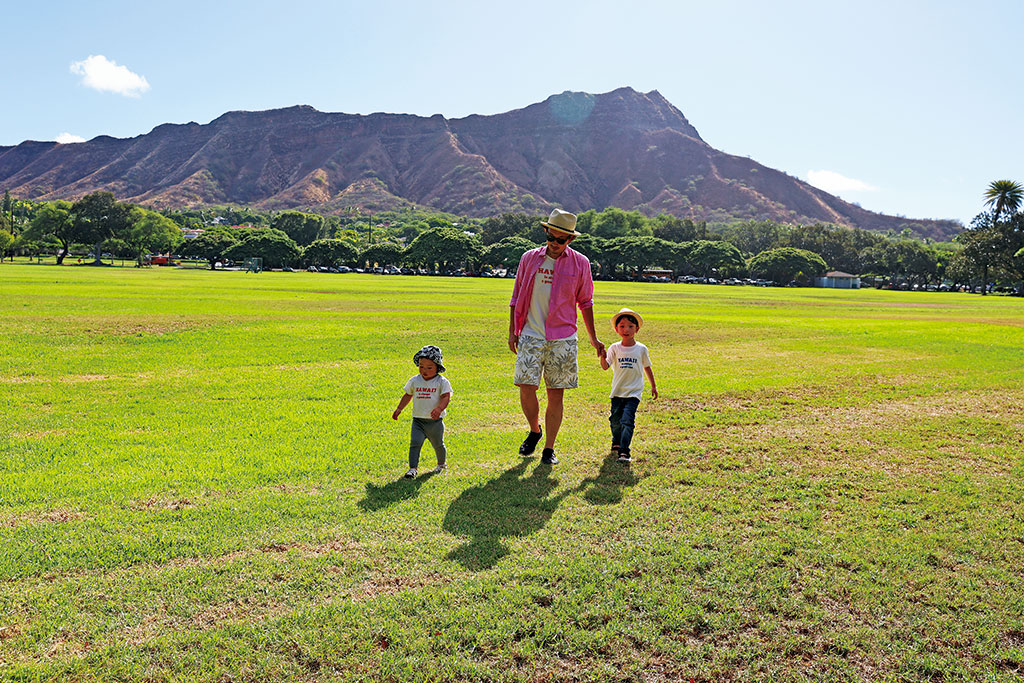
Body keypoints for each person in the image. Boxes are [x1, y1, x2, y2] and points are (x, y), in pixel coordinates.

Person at [508, 209, 604, 465]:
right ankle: (534, 430)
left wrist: (594, 338)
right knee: (526, 387)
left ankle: (549, 449)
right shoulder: (529, 259)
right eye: (551, 237)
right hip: (530, 333)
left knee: (555, 394)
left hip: (563, 337)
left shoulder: (580, 263)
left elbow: (586, 302)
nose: (554, 244)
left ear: (570, 240)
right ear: (546, 232)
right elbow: (516, 296)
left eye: (561, 240)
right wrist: (512, 331)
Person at [600, 307, 658, 464]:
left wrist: (653, 386)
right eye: (622, 326)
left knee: (627, 420)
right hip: (617, 392)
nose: (626, 329)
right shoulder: (614, 348)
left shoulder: (641, 349)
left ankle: (624, 451)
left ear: (637, 329)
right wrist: (602, 356)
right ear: (617, 329)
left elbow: (647, 367)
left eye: (631, 326)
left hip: (634, 392)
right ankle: (616, 441)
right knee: (615, 420)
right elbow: (605, 366)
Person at [392, 345, 452, 478]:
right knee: (415, 443)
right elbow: (408, 395)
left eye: (429, 367)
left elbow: (446, 397)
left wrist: (439, 409)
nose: (424, 370)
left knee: (438, 444)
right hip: (418, 421)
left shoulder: (442, 382)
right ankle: (412, 468)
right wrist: (399, 409)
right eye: (421, 366)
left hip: (435, 422)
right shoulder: (415, 381)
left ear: (437, 367)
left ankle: (441, 464)